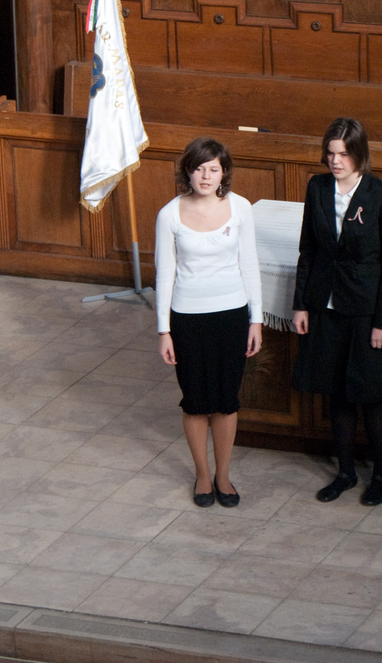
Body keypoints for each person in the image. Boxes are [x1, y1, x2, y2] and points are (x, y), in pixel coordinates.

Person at [292, 117, 382, 506]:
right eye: (330, 153)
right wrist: (301, 303)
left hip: (366, 310)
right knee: (336, 393)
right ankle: (345, 472)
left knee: (371, 396)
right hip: (326, 305)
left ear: (359, 154)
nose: (335, 161)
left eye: (343, 154)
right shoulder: (317, 187)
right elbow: (308, 248)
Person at [156, 137, 262, 509]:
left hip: (232, 315)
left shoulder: (241, 207)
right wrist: (164, 330)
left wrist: (256, 320)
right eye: (199, 168)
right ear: (188, 172)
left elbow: (249, 265)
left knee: (226, 402)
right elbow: (165, 274)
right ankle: (203, 474)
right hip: (187, 318)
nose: (205, 176)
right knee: (196, 402)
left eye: (213, 169)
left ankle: (223, 475)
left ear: (224, 172)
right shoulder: (169, 214)